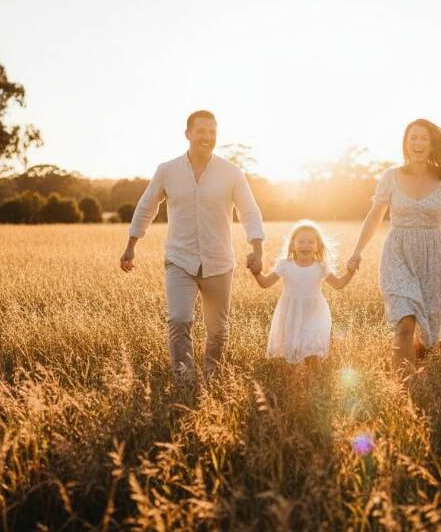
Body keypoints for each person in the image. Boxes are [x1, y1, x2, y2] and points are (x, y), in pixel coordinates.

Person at [119, 109, 265, 384]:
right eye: (201, 131)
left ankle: (211, 377)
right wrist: (131, 245)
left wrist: (257, 248)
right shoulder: (167, 171)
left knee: (218, 330)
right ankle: (184, 381)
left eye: (212, 132)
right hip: (179, 260)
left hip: (219, 262)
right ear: (188, 134)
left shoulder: (231, 173)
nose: (207, 137)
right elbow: (146, 206)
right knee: (179, 320)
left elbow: (249, 211)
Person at [347, 118, 441, 369]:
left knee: (428, 333)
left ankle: (419, 384)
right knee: (405, 322)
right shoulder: (390, 177)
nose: (418, 143)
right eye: (413, 137)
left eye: (423, 138)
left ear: (431, 144)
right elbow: (375, 216)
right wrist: (357, 251)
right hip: (397, 253)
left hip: (432, 255)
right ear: (405, 143)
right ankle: (401, 387)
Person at [253, 220, 356, 368]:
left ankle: (314, 383)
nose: (305, 245)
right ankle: (296, 385)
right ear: (293, 245)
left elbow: (338, 284)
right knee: (292, 352)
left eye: (310, 242)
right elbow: (265, 283)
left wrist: (350, 272)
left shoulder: (321, 266)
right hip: (291, 314)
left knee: (312, 351)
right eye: (301, 241)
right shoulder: (285, 265)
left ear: (317, 246)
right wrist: (256, 272)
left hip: (315, 314)